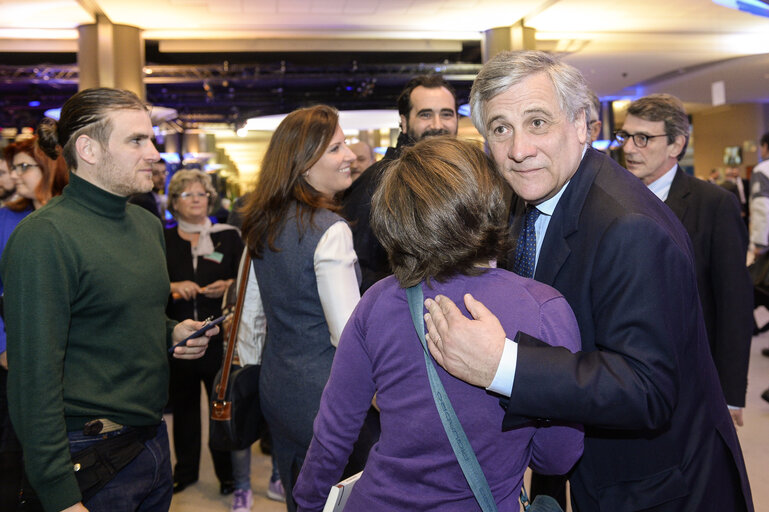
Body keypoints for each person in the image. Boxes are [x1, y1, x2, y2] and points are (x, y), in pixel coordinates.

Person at [423, 51, 753, 511]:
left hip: (659, 488)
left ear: (582, 124)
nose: (519, 149)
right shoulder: (532, 197)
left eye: (537, 122)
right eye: (500, 129)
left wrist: (502, 365)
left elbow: (645, 390)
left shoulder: (628, 226)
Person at [293, 136, 583, 511]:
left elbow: (334, 431)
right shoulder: (545, 309)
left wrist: (309, 503)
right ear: (489, 199)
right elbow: (555, 457)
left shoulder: (378, 301)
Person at [0, 87, 218, 512]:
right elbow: (33, 379)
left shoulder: (144, 224)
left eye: (150, 139)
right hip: (86, 453)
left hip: (151, 441)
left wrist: (172, 331)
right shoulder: (44, 237)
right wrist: (60, 493)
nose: (154, 154)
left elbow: (129, 317)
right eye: (136, 140)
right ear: (89, 149)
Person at [239, 104, 361, 512]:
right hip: (327, 397)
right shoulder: (331, 231)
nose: (350, 156)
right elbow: (348, 336)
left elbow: (251, 316)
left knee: (299, 492)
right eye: (336, 148)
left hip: (279, 387)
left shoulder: (264, 221)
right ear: (303, 163)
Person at [618, 93, 753, 426]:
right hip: (623, 372)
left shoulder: (714, 205)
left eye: (643, 138)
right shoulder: (613, 197)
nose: (629, 148)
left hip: (692, 373)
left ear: (676, 144)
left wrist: (731, 391)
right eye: (626, 136)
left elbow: (733, 302)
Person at [0, 133, 68, 511]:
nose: (16, 176)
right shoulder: (7, 218)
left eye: (24, 166)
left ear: (49, 166)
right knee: (16, 451)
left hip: (65, 356)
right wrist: (3, 347)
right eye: (13, 169)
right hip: (16, 355)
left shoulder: (68, 218)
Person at [342, 74, 458, 293]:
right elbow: (359, 270)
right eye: (425, 115)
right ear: (404, 123)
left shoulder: (460, 179)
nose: (437, 125)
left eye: (446, 114)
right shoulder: (377, 184)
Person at [163, 169, 241, 495]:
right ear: (174, 203)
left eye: (202, 194)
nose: (197, 199)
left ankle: (227, 474)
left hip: (217, 338)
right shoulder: (164, 239)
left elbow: (246, 278)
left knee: (220, 408)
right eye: (188, 194)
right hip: (180, 336)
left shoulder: (228, 236)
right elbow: (151, 283)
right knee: (183, 409)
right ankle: (186, 470)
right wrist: (173, 287)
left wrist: (229, 286)